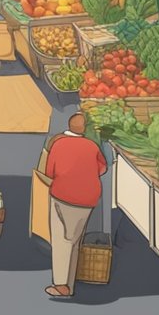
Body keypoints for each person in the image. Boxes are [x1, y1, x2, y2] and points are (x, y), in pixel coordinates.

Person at [43, 113, 107, 299]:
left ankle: (61, 285)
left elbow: (50, 171)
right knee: (75, 241)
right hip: (87, 199)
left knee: (62, 240)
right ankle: (68, 284)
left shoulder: (59, 144)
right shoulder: (92, 146)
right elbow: (102, 168)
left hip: (63, 196)